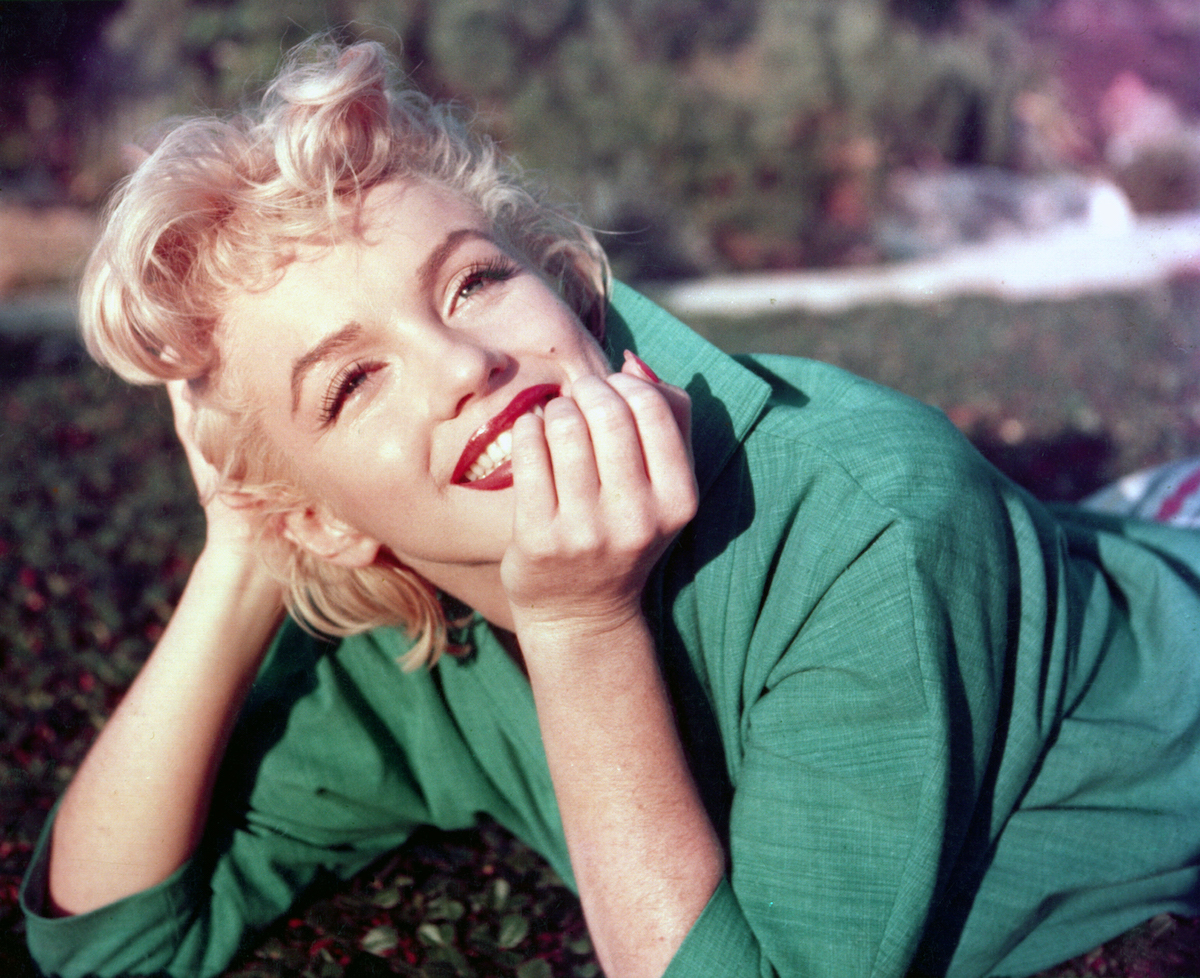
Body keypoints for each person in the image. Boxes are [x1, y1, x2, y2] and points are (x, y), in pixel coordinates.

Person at [20, 37, 1200, 978]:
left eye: (474, 280)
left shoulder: (869, 519)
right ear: (325, 518)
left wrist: (586, 629)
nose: (460, 364)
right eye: (353, 379)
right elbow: (106, 937)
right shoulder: (417, 629)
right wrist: (241, 554)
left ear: (569, 294)